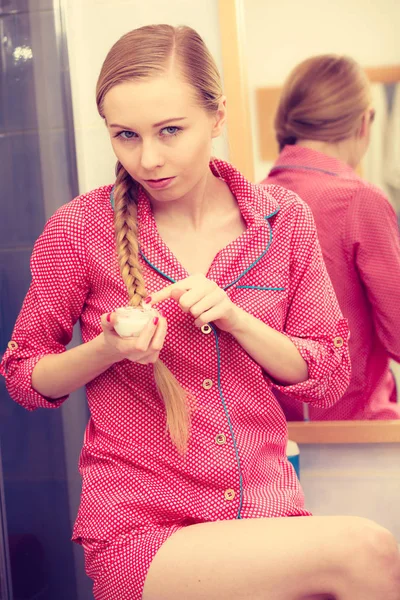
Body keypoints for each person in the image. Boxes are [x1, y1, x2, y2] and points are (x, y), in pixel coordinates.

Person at [1, 25, 399, 600]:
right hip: (142, 532)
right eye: (126, 136)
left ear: (217, 117)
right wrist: (108, 348)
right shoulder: (79, 230)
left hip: (267, 509)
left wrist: (241, 320)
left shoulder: (282, 220)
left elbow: (328, 372)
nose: (149, 158)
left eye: (170, 130)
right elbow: (23, 376)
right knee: (369, 553)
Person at [262, 54, 400, 422]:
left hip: (274, 437)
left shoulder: (251, 199)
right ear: (363, 122)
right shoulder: (360, 200)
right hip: (356, 433)